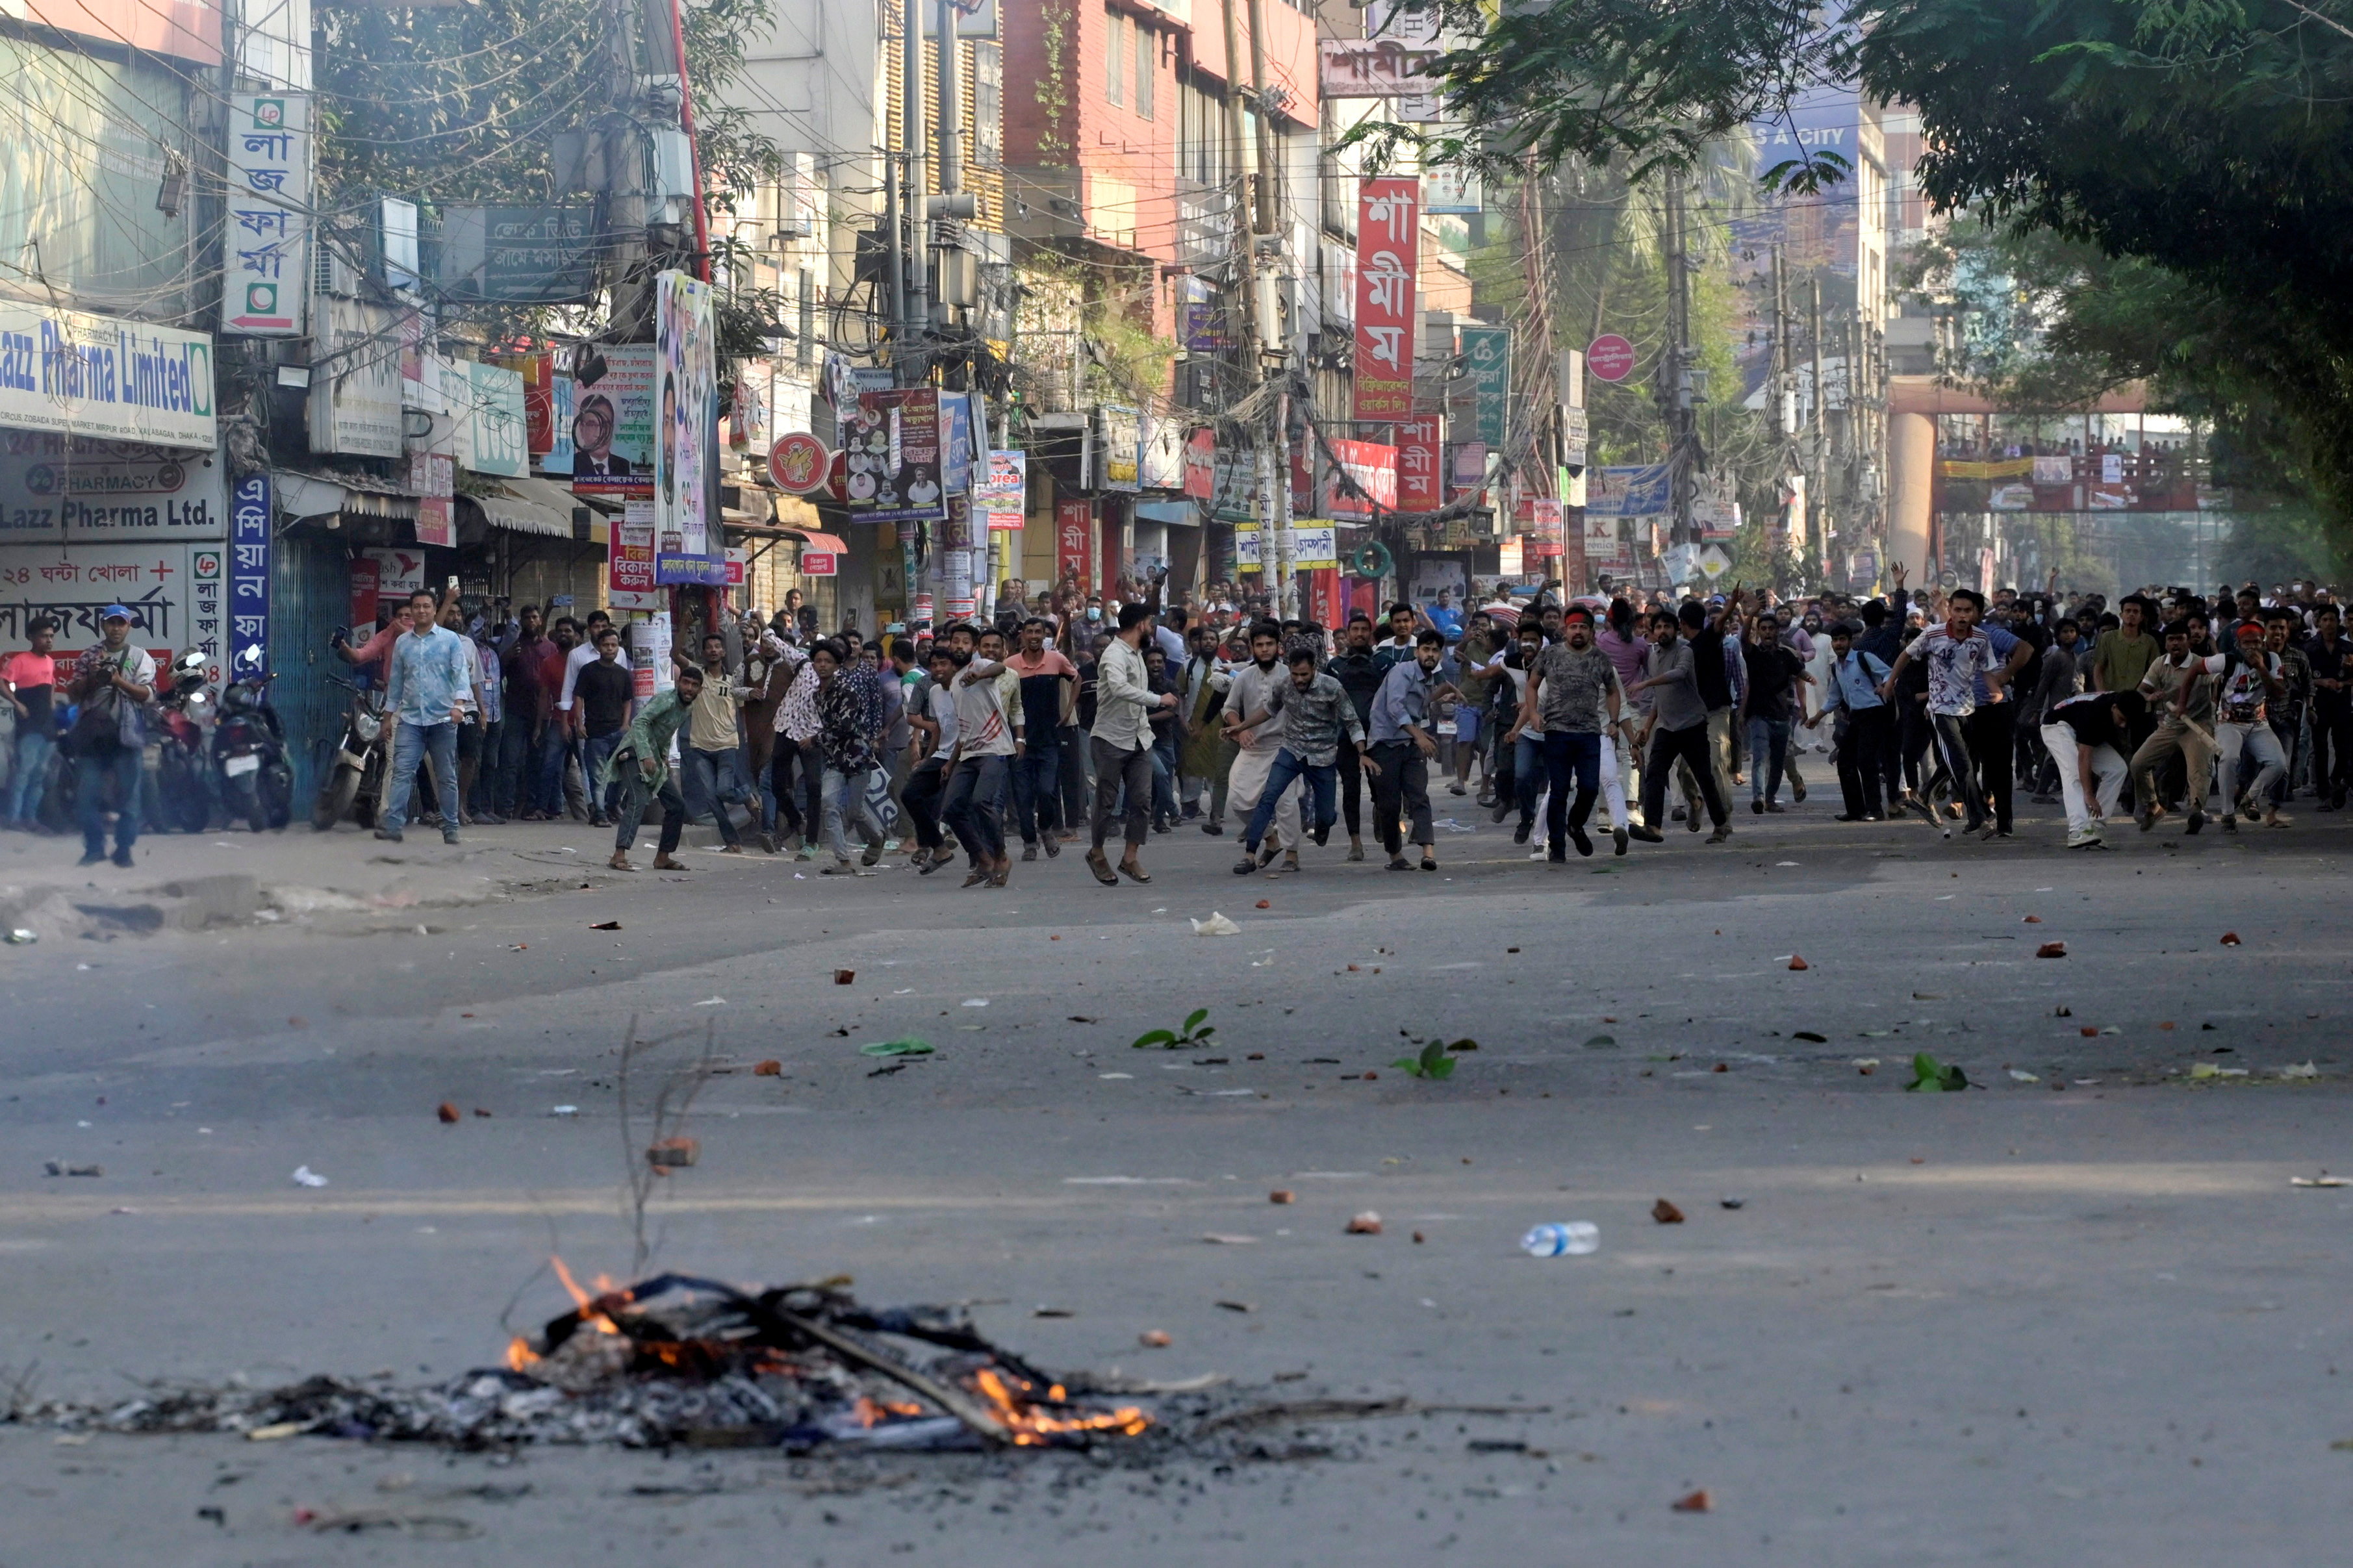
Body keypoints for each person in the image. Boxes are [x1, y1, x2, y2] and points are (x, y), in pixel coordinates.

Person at [1881, 587, 2011, 839]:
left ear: (1975, 614)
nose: (1962, 616)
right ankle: (1980, 818)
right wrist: (1890, 683)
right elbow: (1905, 656)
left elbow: (1986, 669)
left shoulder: (1981, 639)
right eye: (1958, 610)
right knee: (1962, 765)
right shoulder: (1933, 634)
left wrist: (1996, 691)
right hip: (1941, 710)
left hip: (1968, 709)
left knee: (1958, 762)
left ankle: (1926, 796)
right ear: (1950, 611)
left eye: (1967, 611)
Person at [1228, 646, 1366, 873]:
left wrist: (1362, 753)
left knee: (1326, 815)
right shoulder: (1284, 685)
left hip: (1322, 757)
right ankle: (1250, 854)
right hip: (1291, 751)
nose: (1299, 680)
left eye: (1304, 674)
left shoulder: (1332, 687)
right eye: (1295, 674)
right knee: (1268, 798)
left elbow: (1352, 721)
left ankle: (1324, 824)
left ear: (1314, 669)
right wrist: (1241, 726)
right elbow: (1269, 710)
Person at [375, 588, 485, 846]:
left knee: (446, 775)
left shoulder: (450, 641)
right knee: (402, 772)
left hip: (443, 721)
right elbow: (397, 682)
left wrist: (459, 705)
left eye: (426, 606)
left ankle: (450, 828)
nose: (421, 611)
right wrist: (388, 718)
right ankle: (393, 825)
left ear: (435, 610)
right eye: (417, 607)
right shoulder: (403, 643)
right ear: (412, 611)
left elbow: (460, 675)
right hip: (411, 720)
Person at [1520, 605, 1627, 860]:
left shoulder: (1600, 658)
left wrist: (1613, 721)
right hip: (1557, 733)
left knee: (1590, 788)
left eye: (1583, 627)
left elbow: (1613, 692)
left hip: (1590, 733)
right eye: (1573, 627)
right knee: (1558, 790)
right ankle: (1557, 846)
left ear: (1591, 631)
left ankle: (1575, 825)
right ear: (1565, 629)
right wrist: (1534, 714)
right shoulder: (1550, 655)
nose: (1578, 631)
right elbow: (1532, 685)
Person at [1084, 601, 1173, 886]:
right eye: (1150, 622)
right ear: (1140, 625)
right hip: (1110, 738)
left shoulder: (1137, 652)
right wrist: (1158, 700)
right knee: (1107, 803)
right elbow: (1120, 688)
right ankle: (1097, 854)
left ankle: (1129, 857)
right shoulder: (1114, 654)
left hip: (1139, 738)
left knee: (1143, 800)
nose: (1153, 628)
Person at [1629, 609, 1733, 844]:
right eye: (1658, 627)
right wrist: (1647, 726)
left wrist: (1646, 682)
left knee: (1704, 777)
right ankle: (1652, 827)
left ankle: (1720, 824)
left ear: (1677, 630)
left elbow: (1679, 674)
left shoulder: (1685, 651)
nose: (1662, 631)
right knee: (1655, 773)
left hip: (1692, 725)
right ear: (1652, 632)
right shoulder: (1653, 656)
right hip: (1667, 728)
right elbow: (1660, 695)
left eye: (1667, 627)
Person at [66, 605, 155, 866]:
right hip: (93, 737)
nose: (116, 628)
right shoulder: (89, 656)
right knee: (85, 798)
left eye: (121, 623)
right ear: (103, 626)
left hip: (126, 736)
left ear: (129, 627)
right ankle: (94, 848)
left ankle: (123, 850)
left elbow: (148, 695)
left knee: (130, 799)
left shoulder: (140, 657)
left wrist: (118, 680)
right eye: (111, 623)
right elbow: (72, 694)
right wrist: (93, 678)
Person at [942, 626, 1024, 887]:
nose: (960, 646)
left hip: (995, 749)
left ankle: (1000, 857)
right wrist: (951, 762)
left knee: (982, 802)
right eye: (956, 641)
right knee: (952, 809)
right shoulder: (954, 682)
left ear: (974, 648)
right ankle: (982, 859)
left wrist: (980, 675)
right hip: (968, 753)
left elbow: (999, 669)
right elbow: (963, 726)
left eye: (966, 642)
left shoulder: (982, 666)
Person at [1367, 629, 1451, 870]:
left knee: (1419, 796)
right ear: (1417, 652)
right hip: (1385, 744)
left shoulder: (1430, 678)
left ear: (1440, 655)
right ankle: (1395, 856)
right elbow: (1395, 708)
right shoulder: (1401, 672)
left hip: (1410, 744)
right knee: (1390, 804)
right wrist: (1420, 736)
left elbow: (1420, 708)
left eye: (1435, 651)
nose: (1431, 654)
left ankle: (1428, 853)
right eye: (1426, 649)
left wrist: (1447, 693)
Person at [604, 664, 701, 871]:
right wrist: (646, 754)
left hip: (654, 759)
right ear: (678, 683)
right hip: (633, 752)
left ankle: (663, 857)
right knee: (638, 799)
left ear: (700, 689)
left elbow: (666, 731)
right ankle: (618, 854)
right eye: (686, 683)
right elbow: (640, 722)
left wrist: (663, 757)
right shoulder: (666, 699)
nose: (689, 688)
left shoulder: (688, 707)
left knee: (677, 805)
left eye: (694, 685)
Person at [1221, 622, 1303, 869]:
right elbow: (1229, 709)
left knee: (1286, 802)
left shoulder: (1290, 675)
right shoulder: (1244, 676)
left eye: (1269, 644)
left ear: (1279, 647)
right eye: (1259, 645)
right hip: (1252, 749)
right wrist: (1241, 729)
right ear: (1252, 648)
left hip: (1284, 747)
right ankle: (1271, 838)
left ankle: (1292, 854)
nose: (1265, 649)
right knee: (1237, 800)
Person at [2130, 622, 2217, 833]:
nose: (2176, 643)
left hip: (2198, 725)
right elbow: (2141, 691)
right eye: (2171, 639)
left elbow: (2217, 684)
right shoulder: (2160, 664)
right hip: (2170, 725)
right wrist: (2150, 696)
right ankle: (2153, 806)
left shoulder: (2201, 664)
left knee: (2198, 774)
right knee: (2138, 764)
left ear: (2189, 641)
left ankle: (2196, 811)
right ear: (2166, 643)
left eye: (2180, 638)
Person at [809, 638, 887, 872]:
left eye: (828, 661)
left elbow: (845, 726)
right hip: (834, 760)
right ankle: (843, 861)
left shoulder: (847, 691)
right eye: (818, 661)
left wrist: (815, 740)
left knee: (855, 811)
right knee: (829, 805)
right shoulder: (817, 695)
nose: (822, 665)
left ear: (837, 666)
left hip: (857, 758)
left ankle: (876, 838)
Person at [2201, 623, 2289, 830]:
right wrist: (2182, 703)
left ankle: (2250, 798)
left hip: (2258, 723)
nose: (2251, 648)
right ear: (2238, 644)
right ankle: (2227, 814)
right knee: (2229, 759)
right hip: (2229, 722)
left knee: (2278, 764)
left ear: (2263, 643)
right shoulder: (2227, 660)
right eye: (2246, 643)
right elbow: (2196, 669)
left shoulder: (2271, 660)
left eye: (2256, 643)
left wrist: (2261, 667)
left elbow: (2278, 692)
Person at [1005, 618, 1076, 861]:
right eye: (1030, 632)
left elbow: (1076, 678)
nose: (1034, 636)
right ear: (1022, 636)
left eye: (1039, 632)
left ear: (1044, 635)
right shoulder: (1010, 665)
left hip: (1049, 740)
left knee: (1047, 792)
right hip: (1019, 741)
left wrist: (1068, 711)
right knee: (1023, 796)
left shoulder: (1056, 660)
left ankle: (1045, 829)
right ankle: (1029, 843)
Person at [1811, 622, 1892, 822]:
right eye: (1835, 640)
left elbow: (1890, 672)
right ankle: (1855, 810)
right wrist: (1817, 717)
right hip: (1856, 717)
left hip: (1874, 714)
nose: (1839, 644)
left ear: (1850, 641)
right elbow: (1833, 698)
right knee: (1845, 761)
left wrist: (1884, 686)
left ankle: (1875, 810)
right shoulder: (1836, 667)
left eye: (1842, 640)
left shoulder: (1863, 658)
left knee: (1866, 761)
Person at [2042, 688, 2143, 847]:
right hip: (2058, 726)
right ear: (2114, 708)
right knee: (2074, 773)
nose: (2123, 725)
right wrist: (2089, 795)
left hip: (2081, 731)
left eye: (2127, 722)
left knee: (2117, 769)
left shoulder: (2124, 705)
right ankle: (2078, 831)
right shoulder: (2095, 712)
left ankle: (2097, 826)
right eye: (2121, 719)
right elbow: (2084, 757)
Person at [1325, 613, 1386, 861]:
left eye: (1364, 630)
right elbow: (1325, 702)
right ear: (1348, 634)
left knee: (1380, 787)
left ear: (1370, 633)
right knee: (1350, 791)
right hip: (1345, 738)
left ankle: (1380, 813)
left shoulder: (1383, 662)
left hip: (1378, 736)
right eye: (1355, 630)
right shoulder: (1335, 665)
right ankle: (1356, 843)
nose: (1359, 634)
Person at [681, 633, 750, 854]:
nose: (713, 650)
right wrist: (683, 626)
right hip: (699, 747)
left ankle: (746, 795)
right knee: (712, 798)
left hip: (727, 745)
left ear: (723, 652)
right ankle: (732, 841)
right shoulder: (697, 677)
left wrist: (745, 733)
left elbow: (742, 710)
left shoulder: (733, 682)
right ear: (703, 653)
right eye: (709, 647)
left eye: (717, 647)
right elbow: (675, 654)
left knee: (723, 791)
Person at [1739, 614, 1809, 814]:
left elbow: (1799, 674)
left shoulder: (1786, 655)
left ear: (1777, 631)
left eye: (1771, 628)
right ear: (1759, 632)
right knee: (1760, 757)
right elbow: (1744, 639)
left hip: (1782, 715)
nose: (1768, 632)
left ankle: (1770, 799)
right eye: (1764, 629)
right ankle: (1758, 797)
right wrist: (1750, 613)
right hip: (1759, 715)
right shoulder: (1753, 653)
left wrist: (1807, 684)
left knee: (1779, 761)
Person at [902, 646, 961, 874]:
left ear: (953, 666)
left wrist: (950, 763)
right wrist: (927, 760)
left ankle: (985, 856)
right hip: (942, 755)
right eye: (934, 664)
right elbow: (938, 729)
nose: (938, 669)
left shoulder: (963, 691)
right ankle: (939, 848)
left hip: (965, 755)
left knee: (960, 807)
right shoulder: (935, 692)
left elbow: (965, 732)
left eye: (943, 664)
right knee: (910, 795)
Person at [574, 627, 635, 827]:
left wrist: (626, 724)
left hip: (618, 732)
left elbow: (627, 701)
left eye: (614, 645)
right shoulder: (588, 671)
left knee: (619, 776)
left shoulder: (624, 674)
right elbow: (579, 697)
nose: (610, 649)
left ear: (619, 647)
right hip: (595, 732)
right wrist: (579, 722)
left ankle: (611, 806)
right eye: (606, 645)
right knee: (597, 776)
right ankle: (600, 813)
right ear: (599, 647)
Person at [3, 616, 58, 829]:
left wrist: (52, 702)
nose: (49, 640)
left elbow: (51, 683)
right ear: (31, 638)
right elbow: (3, 682)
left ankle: (31, 817)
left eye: (51, 636)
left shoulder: (50, 661)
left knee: (40, 773)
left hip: (47, 724)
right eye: (44, 636)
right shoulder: (20, 660)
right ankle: (14, 818)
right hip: (29, 724)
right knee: (24, 772)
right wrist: (17, 703)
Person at [2306, 605, 2352, 808]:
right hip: (2319, 704)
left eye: (2332, 620)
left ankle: (2337, 781)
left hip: (2342, 703)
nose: (2328, 624)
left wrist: (2343, 683)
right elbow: (2303, 678)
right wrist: (2323, 682)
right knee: (2320, 748)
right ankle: (2324, 792)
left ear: (2338, 622)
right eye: (2324, 620)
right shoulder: (2309, 648)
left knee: (2343, 748)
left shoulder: (2347, 648)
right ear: (2318, 623)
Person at [2091, 594, 2159, 693]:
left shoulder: (2150, 642)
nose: (2131, 614)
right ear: (2121, 615)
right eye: (2128, 611)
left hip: (2138, 699)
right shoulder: (2108, 638)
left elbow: (2154, 672)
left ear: (2141, 617)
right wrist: (2101, 692)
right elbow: (2098, 668)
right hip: (2110, 697)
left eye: (2136, 612)